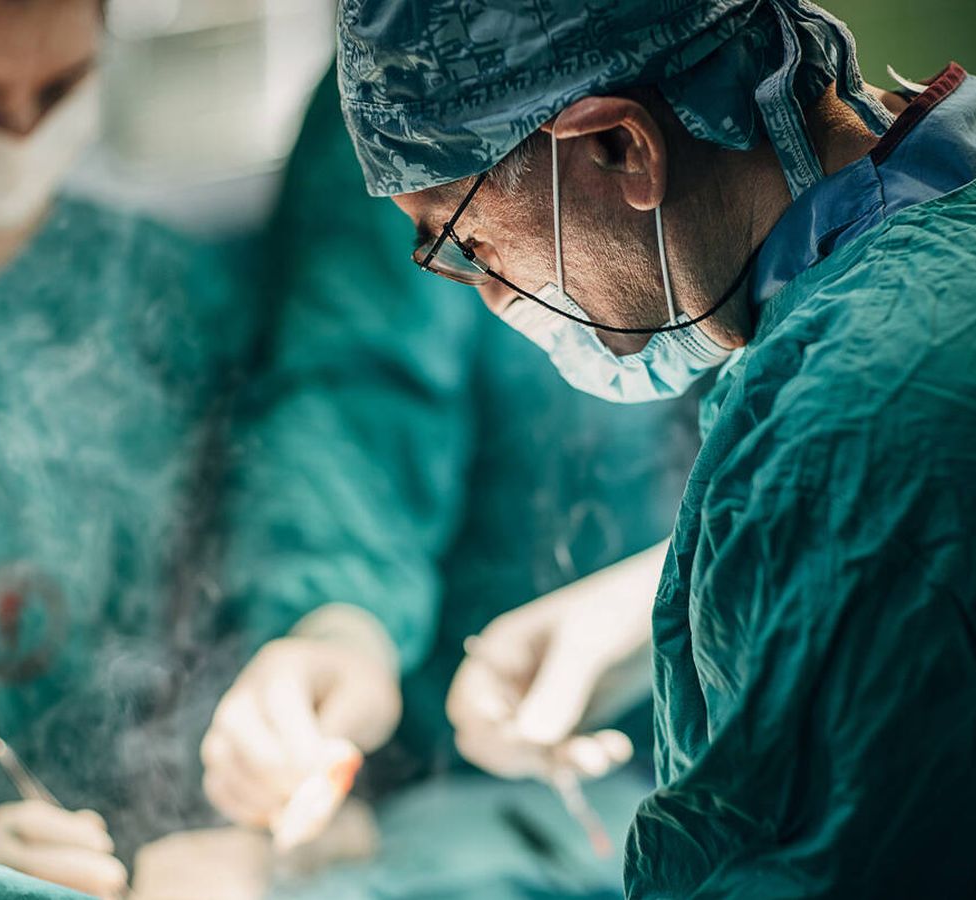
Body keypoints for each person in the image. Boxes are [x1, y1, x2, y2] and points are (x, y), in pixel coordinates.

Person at [333, 0, 976, 895]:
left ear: (619, 149)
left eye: (470, 243)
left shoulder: (856, 425)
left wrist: (801, 544)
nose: (491, 295)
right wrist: (652, 598)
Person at [199, 62, 700, 875]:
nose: (497, 295)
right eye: (458, 248)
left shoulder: (767, 129)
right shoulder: (415, 82)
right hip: (466, 761)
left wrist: (681, 590)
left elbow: (818, 461)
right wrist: (341, 621)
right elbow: (357, 391)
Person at [0, 0, 250, 895]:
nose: (22, 133)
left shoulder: (160, 295)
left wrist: (266, 816)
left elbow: (264, 560)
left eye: (60, 88)